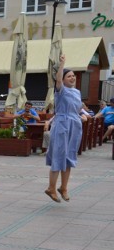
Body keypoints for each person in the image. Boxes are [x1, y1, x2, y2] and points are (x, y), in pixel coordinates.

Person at [45, 54, 83, 203]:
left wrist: (81, 115)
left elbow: (77, 107)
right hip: (62, 124)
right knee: (59, 155)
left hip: (74, 125)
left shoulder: (77, 92)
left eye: (73, 76)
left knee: (69, 157)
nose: (72, 78)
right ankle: (51, 187)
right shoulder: (60, 90)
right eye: (69, 76)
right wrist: (62, 65)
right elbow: (58, 79)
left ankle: (64, 188)